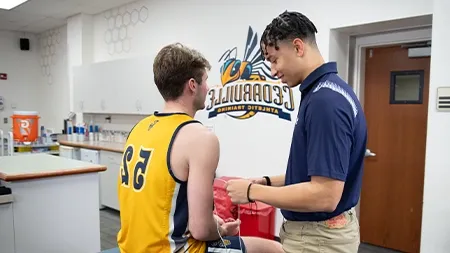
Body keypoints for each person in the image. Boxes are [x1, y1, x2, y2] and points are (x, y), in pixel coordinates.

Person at [116, 43, 283, 253]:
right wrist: (219, 230)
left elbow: (162, 207)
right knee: (273, 249)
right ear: (192, 85)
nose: (208, 88)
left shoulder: (139, 129)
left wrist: (217, 224)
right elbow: (201, 230)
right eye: (205, 81)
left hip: (131, 248)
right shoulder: (200, 137)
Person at [225, 11, 368, 253]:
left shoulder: (325, 102)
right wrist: (268, 182)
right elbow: (319, 173)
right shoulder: (329, 91)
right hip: (322, 233)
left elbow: (325, 194)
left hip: (318, 239)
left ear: (298, 47)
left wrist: (252, 192)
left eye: (275, 59)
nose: (273, 71)